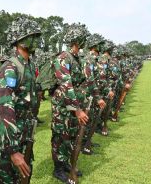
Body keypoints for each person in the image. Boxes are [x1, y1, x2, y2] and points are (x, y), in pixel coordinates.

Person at [0, 17, 41, 184]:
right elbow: (6, 108)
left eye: (36, 36)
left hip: (24, 134)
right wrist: (13, 150)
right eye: (31, 36)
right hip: (9, 141)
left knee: (24, 177)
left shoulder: (30, 65)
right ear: (19, 40)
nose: (35, 40)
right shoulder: (10, 68)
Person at [51, 23, 89, 183]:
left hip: (73, 105)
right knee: (60, 135)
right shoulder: (63, 58)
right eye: (82, 39)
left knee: (70, 135)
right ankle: (58, 168)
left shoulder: (75, 58)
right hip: (62, 106)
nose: (84, 42)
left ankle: (65, 162)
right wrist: (77, 109)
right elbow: (66, 84)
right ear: (77, 41)